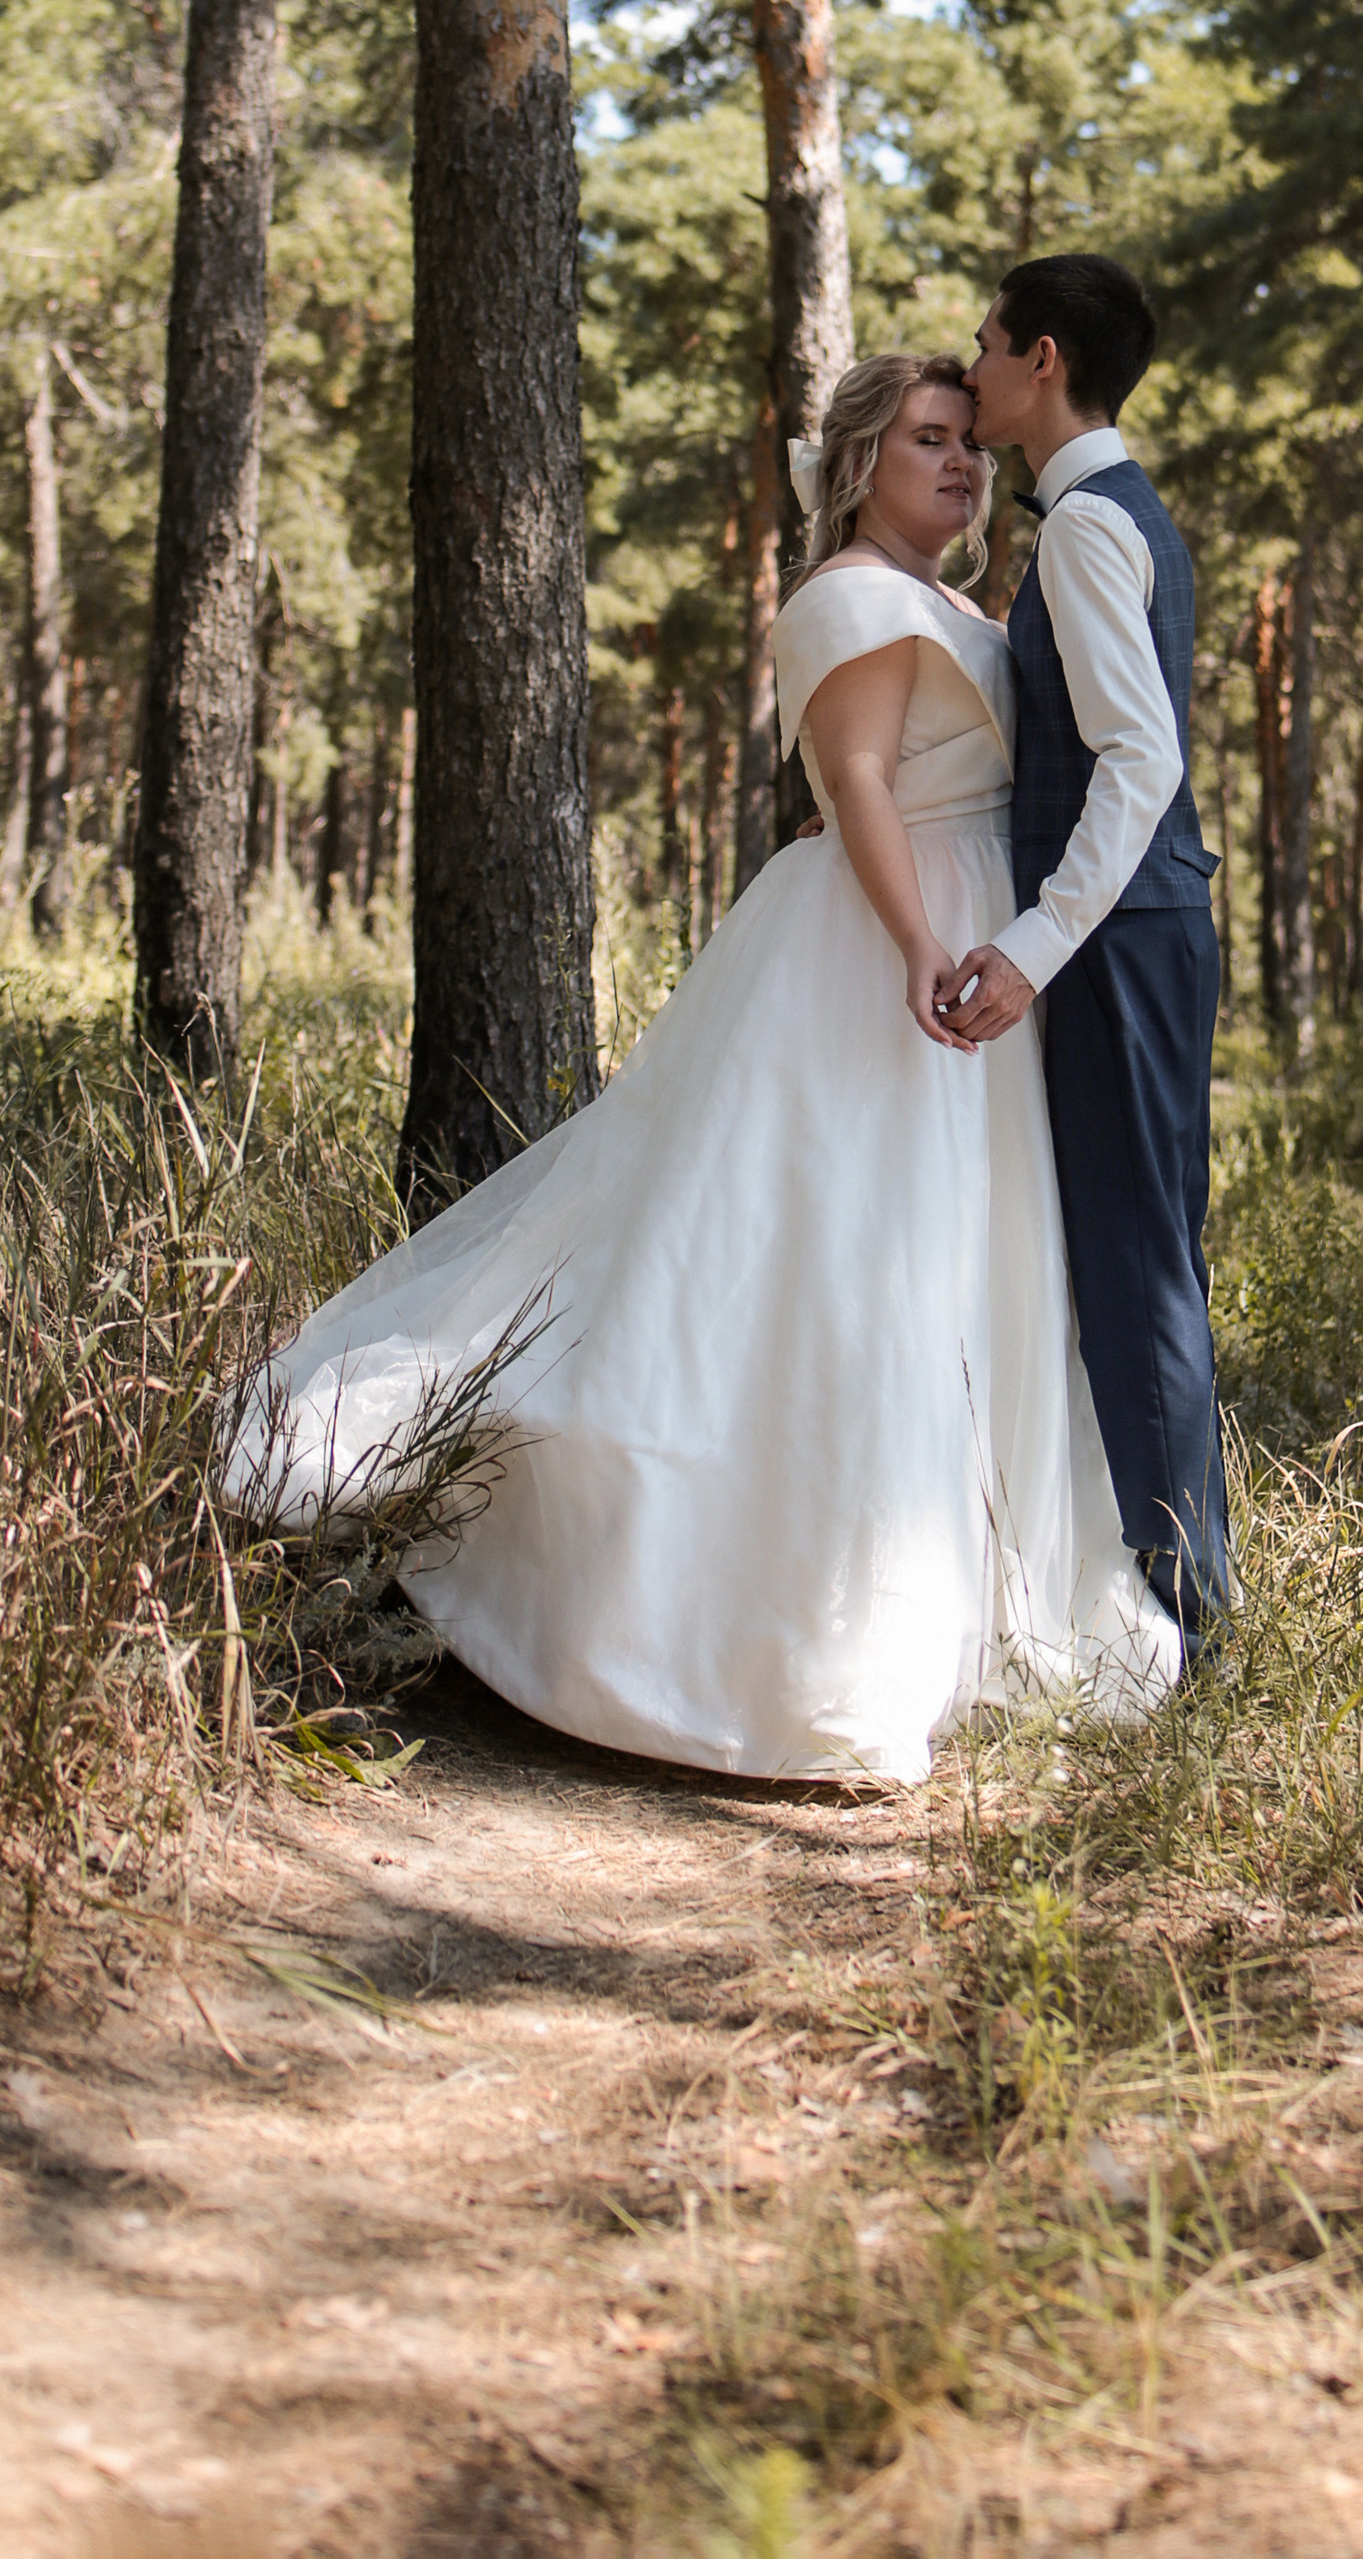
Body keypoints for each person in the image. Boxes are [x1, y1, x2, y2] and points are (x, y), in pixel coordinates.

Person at [222, 351, 1175, 1784]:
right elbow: (854, 781)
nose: (962, 464)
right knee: (824, 1262)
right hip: (881, 952)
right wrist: (922, 942)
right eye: (929, 440)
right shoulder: (847, 595)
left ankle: (967, 1586)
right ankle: (733, 1617)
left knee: (958, 1265)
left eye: (970, 444)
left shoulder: (952, 603)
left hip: (984, 948)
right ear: (862, 464)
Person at [957, 255, 1232, 1649]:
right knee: (1145, 1256)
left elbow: (1137, 760)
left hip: (1117, 939)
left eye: (988, 344)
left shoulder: (1081, 530)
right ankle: (1178, 1596)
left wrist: (1030, 948)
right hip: (1146, 930)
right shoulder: (1120, 512)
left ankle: (1182, 1617)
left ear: (1043, 358)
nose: (974, 367)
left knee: (1138, 1266)